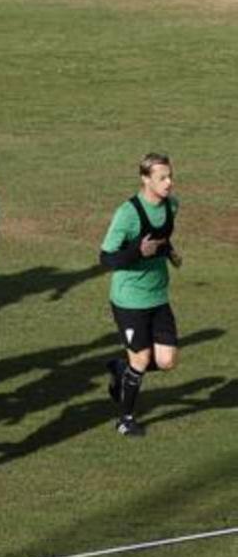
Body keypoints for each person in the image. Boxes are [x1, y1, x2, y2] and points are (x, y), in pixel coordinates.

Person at [100, 153, 180, 437]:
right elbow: (106, 258)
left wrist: (170, 253)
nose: (169, 182)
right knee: (142, 360)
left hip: (158, 296)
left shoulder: (172, 205)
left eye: (170, 176)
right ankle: (125, 419)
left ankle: (121, 367)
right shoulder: (128, 214)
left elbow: (163, 235)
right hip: (129, 300)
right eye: (162, 178)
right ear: (145, 179)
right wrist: (136, 252)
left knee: (167, 361)